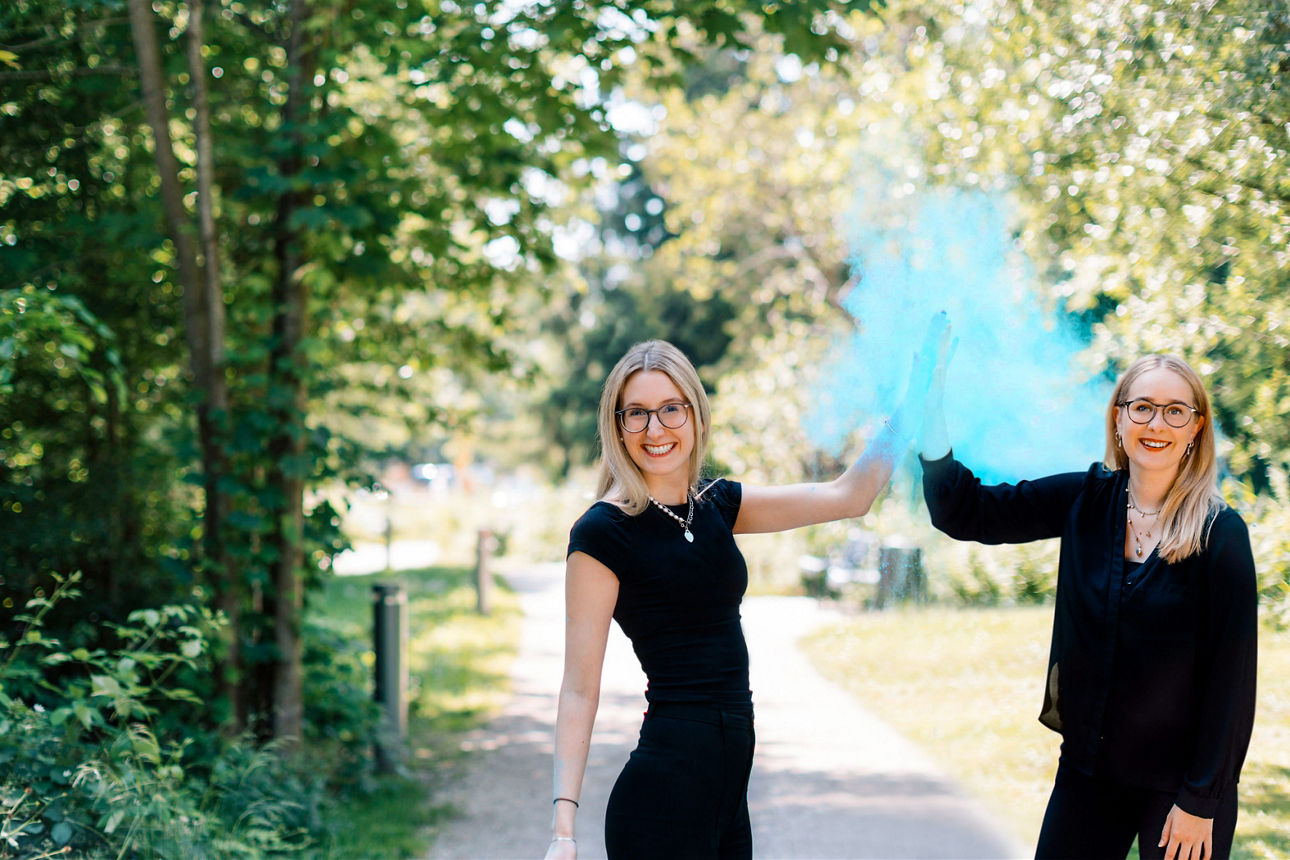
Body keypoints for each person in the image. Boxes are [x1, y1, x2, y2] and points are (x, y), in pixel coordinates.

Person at [546, 316, 949, 860]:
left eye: (671, 408)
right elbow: (578, 688)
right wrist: (563, 830)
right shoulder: (603, 532)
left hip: (727, 805)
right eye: (636, 413)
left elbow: (850, 496)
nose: (655, 429)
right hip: (662, 807)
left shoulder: (719, 504)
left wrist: (914, 399)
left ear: (695, 414)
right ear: (618, 427)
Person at [919, 350, 1257, 860]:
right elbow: (966, 512)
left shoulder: (1220, 533)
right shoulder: (1086, 499)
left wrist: (1202, 799)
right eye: (1142, 407)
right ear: (1118, 418)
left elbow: (1232, 679)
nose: (1156, 424)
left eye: (1175, 411)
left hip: (1181, 786)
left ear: (1196, 428)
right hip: (1089, 772)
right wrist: (930, 414)